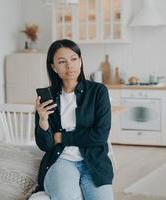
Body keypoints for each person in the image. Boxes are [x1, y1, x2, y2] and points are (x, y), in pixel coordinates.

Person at [33, 39, 114, 200]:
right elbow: (46, 145)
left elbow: (100, 136)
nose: (69, 66)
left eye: (74, 59)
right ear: (53, 67)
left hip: (94, 162)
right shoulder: (47, 97)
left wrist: (62, 137)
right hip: (60, 161)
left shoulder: (98, 92)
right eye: (62, 62)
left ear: (81, 60)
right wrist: (42, 121)